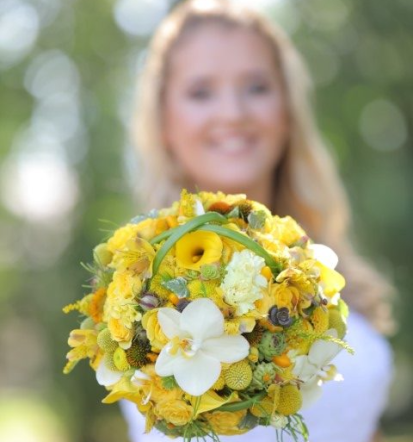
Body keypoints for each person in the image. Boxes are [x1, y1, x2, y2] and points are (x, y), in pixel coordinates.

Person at [121, 1, 394, 441]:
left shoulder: (330, 262)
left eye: (256, 87)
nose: (232, 112)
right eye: (201, 92)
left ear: (287, 111)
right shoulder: (140, 290)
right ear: (164, 122)